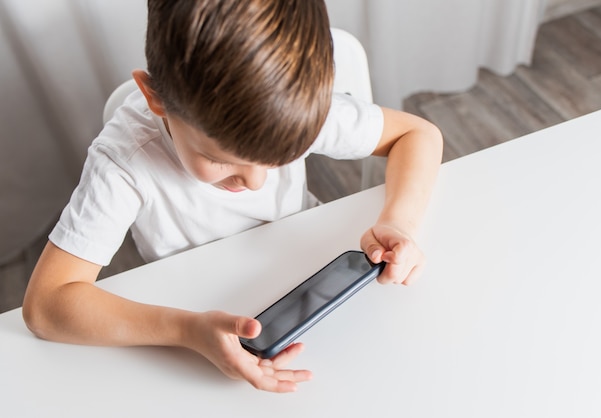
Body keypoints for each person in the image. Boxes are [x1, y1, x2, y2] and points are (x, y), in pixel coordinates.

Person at [22, 0, 442, 393]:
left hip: (301, 279)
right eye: (219, 159)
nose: (257, 183)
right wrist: (186, 331)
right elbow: (45, 305)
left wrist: (399, 221)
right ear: (156, 98)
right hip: (191, 314)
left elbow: (417, 134)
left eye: (279, 159)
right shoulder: (124, 161)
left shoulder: (290, 103)